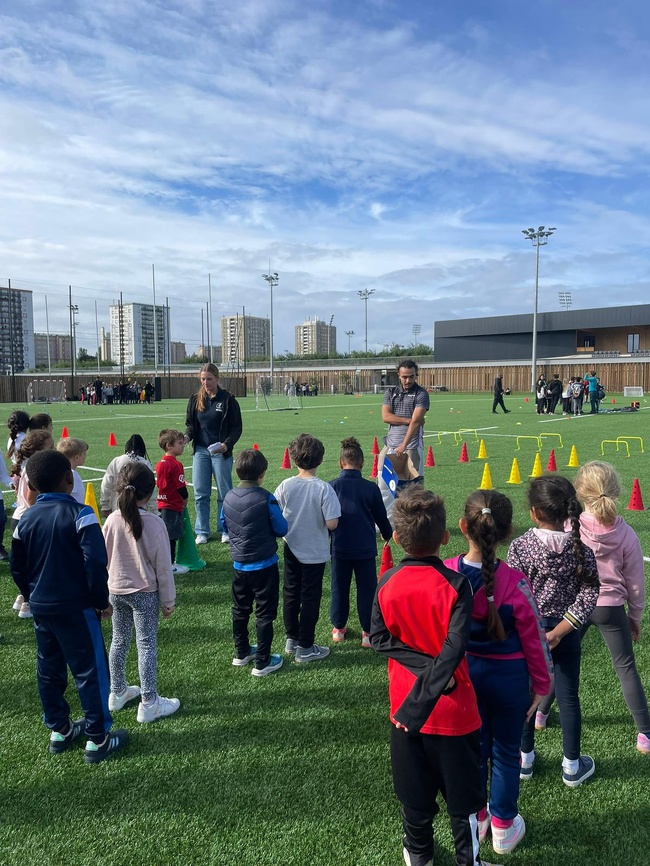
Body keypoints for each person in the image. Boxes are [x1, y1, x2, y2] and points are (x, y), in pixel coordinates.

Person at [370, 486, 493, 866]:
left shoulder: (387, 581)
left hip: (406, 710)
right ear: (444, 537)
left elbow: (378, 638)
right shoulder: (456, 585)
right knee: (462, 803)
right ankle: (457, 860)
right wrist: (438, 678)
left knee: (416, 796)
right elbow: (453, 650)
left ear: (396, 537)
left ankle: (420, 856)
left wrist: (417, 694)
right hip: (451, 712)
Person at [444, 489, 552, 856]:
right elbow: (535, 640)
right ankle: (503, 825)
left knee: (474, 751)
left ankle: (479, 818)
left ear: (463, 527)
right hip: (509, 682)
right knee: (507, 753)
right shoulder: (516, 582)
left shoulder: (445, 573)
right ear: (507, 533)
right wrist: (542, 685)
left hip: (464, 679)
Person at [10, 449, 128, 763]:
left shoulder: (24, 520)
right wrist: (100, 601)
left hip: (42, 608)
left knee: (48, 669)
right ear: (68, 478)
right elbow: (95, 562)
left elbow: (17, 568)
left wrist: (32, 595)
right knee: (90, 670)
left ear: (32, 486)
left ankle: (60, 729)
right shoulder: (82, 513)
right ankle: (98, 738)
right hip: (76, 608)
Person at [536, 462, 650, 754]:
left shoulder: (569, 525)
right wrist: (634, 616)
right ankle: (645, 734)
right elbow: (636, 583)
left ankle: (540, 713)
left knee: (557, 661)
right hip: (611, 608)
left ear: (580, 494)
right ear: (616, 492)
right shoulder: (627, 535)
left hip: (575, 606)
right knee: (625, 668)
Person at [507, 475, 600, 787]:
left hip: (528, 634)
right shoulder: (581, 550)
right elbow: (589, 594)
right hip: (567, 631)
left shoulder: (520, 548)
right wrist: (560, 631)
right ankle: (572, 765)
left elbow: (514, 597)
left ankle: (524, 760)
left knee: (525, 694)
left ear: (534, 512)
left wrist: (539, 632)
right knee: (568, 696)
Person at [102, 462, 179, 724]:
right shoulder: (155, 524)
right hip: (144, 593)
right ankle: (148, 702)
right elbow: (163, 568)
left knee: (119, 639)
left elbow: (103, 559)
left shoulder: (111, 520)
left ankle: (117, 691)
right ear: (150, 492)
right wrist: (168, 601)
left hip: (115, 591)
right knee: (145, 644)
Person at [274, 434, 341, 664]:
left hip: (291, 547)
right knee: (310, 597)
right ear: (320, 460)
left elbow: (274, 514)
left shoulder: (285, 485)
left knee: (290, 593)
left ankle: (292, 639)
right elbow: (332, 523)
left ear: (294, 460)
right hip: (314, 551)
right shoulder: (324, 489)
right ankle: (306, 646)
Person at [222, 449, 288, 677]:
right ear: (261, 474)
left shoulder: (228, 496)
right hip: (264, 566)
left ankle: (241, 653)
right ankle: (263, 661)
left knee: (240, 610)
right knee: (265, 613)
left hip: (239, 566)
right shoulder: (267, 497)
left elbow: (224, 525)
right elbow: (282, 528)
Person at [329, 437, 392, 648]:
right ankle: (367, 632)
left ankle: (339, 628)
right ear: (362, 464)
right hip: (365, 548)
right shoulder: (370, 488)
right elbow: (381, 517)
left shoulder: (332, 487)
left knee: (339, 587)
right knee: (367, 590)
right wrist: (387, 533)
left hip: (339, 547)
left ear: (340, 463)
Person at [185, 363, 243, 545]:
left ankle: (225, 529)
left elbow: (236, 428)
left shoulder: (228, 400)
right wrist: (187, 437)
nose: (205, 382)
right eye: (203, 379)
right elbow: (190, 425)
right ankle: (202, 531)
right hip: (201, 451)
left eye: (209, 379)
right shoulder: (195, 399)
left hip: (221, 452)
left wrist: (227, 445)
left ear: (217, 379)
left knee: (224, 494)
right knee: (201, 493)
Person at [10, 429, 55, 618]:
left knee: (28, 563)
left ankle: (22, 599)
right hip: (27, 520)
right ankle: (29, 604)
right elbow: (31, 499)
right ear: (38, 451)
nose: (54, 449)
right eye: (50, 447)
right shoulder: (33, 468)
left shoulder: (27, 464)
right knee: (34, 565)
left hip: (20, 518)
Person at [377, 359, 429, 517]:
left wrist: (403, 446)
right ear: (398, 375)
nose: (408, 380)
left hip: (411, 447)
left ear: (416, 375)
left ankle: (411, 524)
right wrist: (409, 420)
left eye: (411, 377)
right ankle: (386, 524)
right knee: (383, 485)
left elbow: (416, 424)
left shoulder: (421, 394)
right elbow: (386, 417)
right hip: (390, 445)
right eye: (404, 377)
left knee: (412, 491)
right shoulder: (391, 392)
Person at [155, 429, 190, 575]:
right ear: (169, 445)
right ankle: (169, 565)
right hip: (173, 504)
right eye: (180, 443)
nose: (183, 446)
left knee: (165, 535)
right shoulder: (176, 465)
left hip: (162, 503)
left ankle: (166, 563)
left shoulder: (160, 463)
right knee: (171, 537)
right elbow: (180, 487)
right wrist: (185, 498)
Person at [100, 434, 155, 517]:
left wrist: (105, 505)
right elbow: (151, 488)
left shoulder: (116, 461)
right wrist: (155, 510)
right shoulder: (145, 463)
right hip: (139, 510)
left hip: (118, 508)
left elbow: (106, 484)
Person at [56, 437, 89, 504]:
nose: (85, 456)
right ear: (76, 457)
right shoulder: (72, 475)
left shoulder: (60, 472)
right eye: (84, 454)